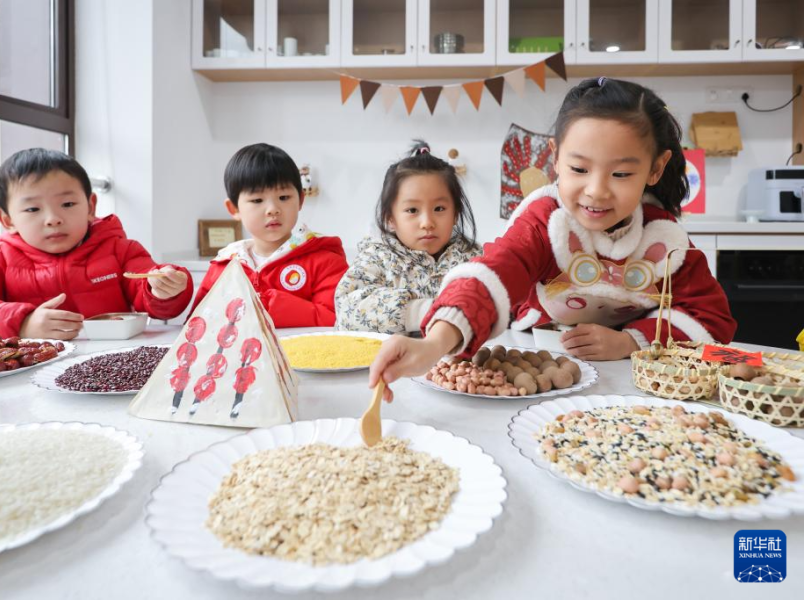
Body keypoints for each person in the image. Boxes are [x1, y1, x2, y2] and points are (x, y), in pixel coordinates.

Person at [370, 77, 736, 399]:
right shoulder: (546, 222)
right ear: (556, 159)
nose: (596, 191)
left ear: (655, 169)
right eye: (579, 169)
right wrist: (435, 345)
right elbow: (493, 273)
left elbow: (710, 316)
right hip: (546, 368)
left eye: (621, 174)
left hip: (635, 379)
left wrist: (629, 342)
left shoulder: (662, 239)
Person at [0, 148, 192, 340]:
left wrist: (164, 289)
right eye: (32, 209)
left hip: (113, 362)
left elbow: (150, 294)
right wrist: (22, 323)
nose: (53, 219)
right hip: (29, 372)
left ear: (90, 206)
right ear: (7, 220)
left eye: (67, 204)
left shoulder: (120, 250)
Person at [188, 143, 348, 327]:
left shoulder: (325, 261)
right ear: (234, 208)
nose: (273, 209)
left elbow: (337, 321)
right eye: (257, 200)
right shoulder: (224, 266)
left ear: (300, 200)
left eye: (284, 198)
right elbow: (196, 326)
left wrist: (271, 308)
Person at [335, 141, 480, 334]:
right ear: (390, 218)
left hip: (456, 361)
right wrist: (418, 312)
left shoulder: (472, 258)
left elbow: (499, 303)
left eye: (439, 209)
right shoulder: (377, 257)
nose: (427, 222)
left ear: (455, 214)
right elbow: (347, 309)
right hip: (388, 362)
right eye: (412, 210)